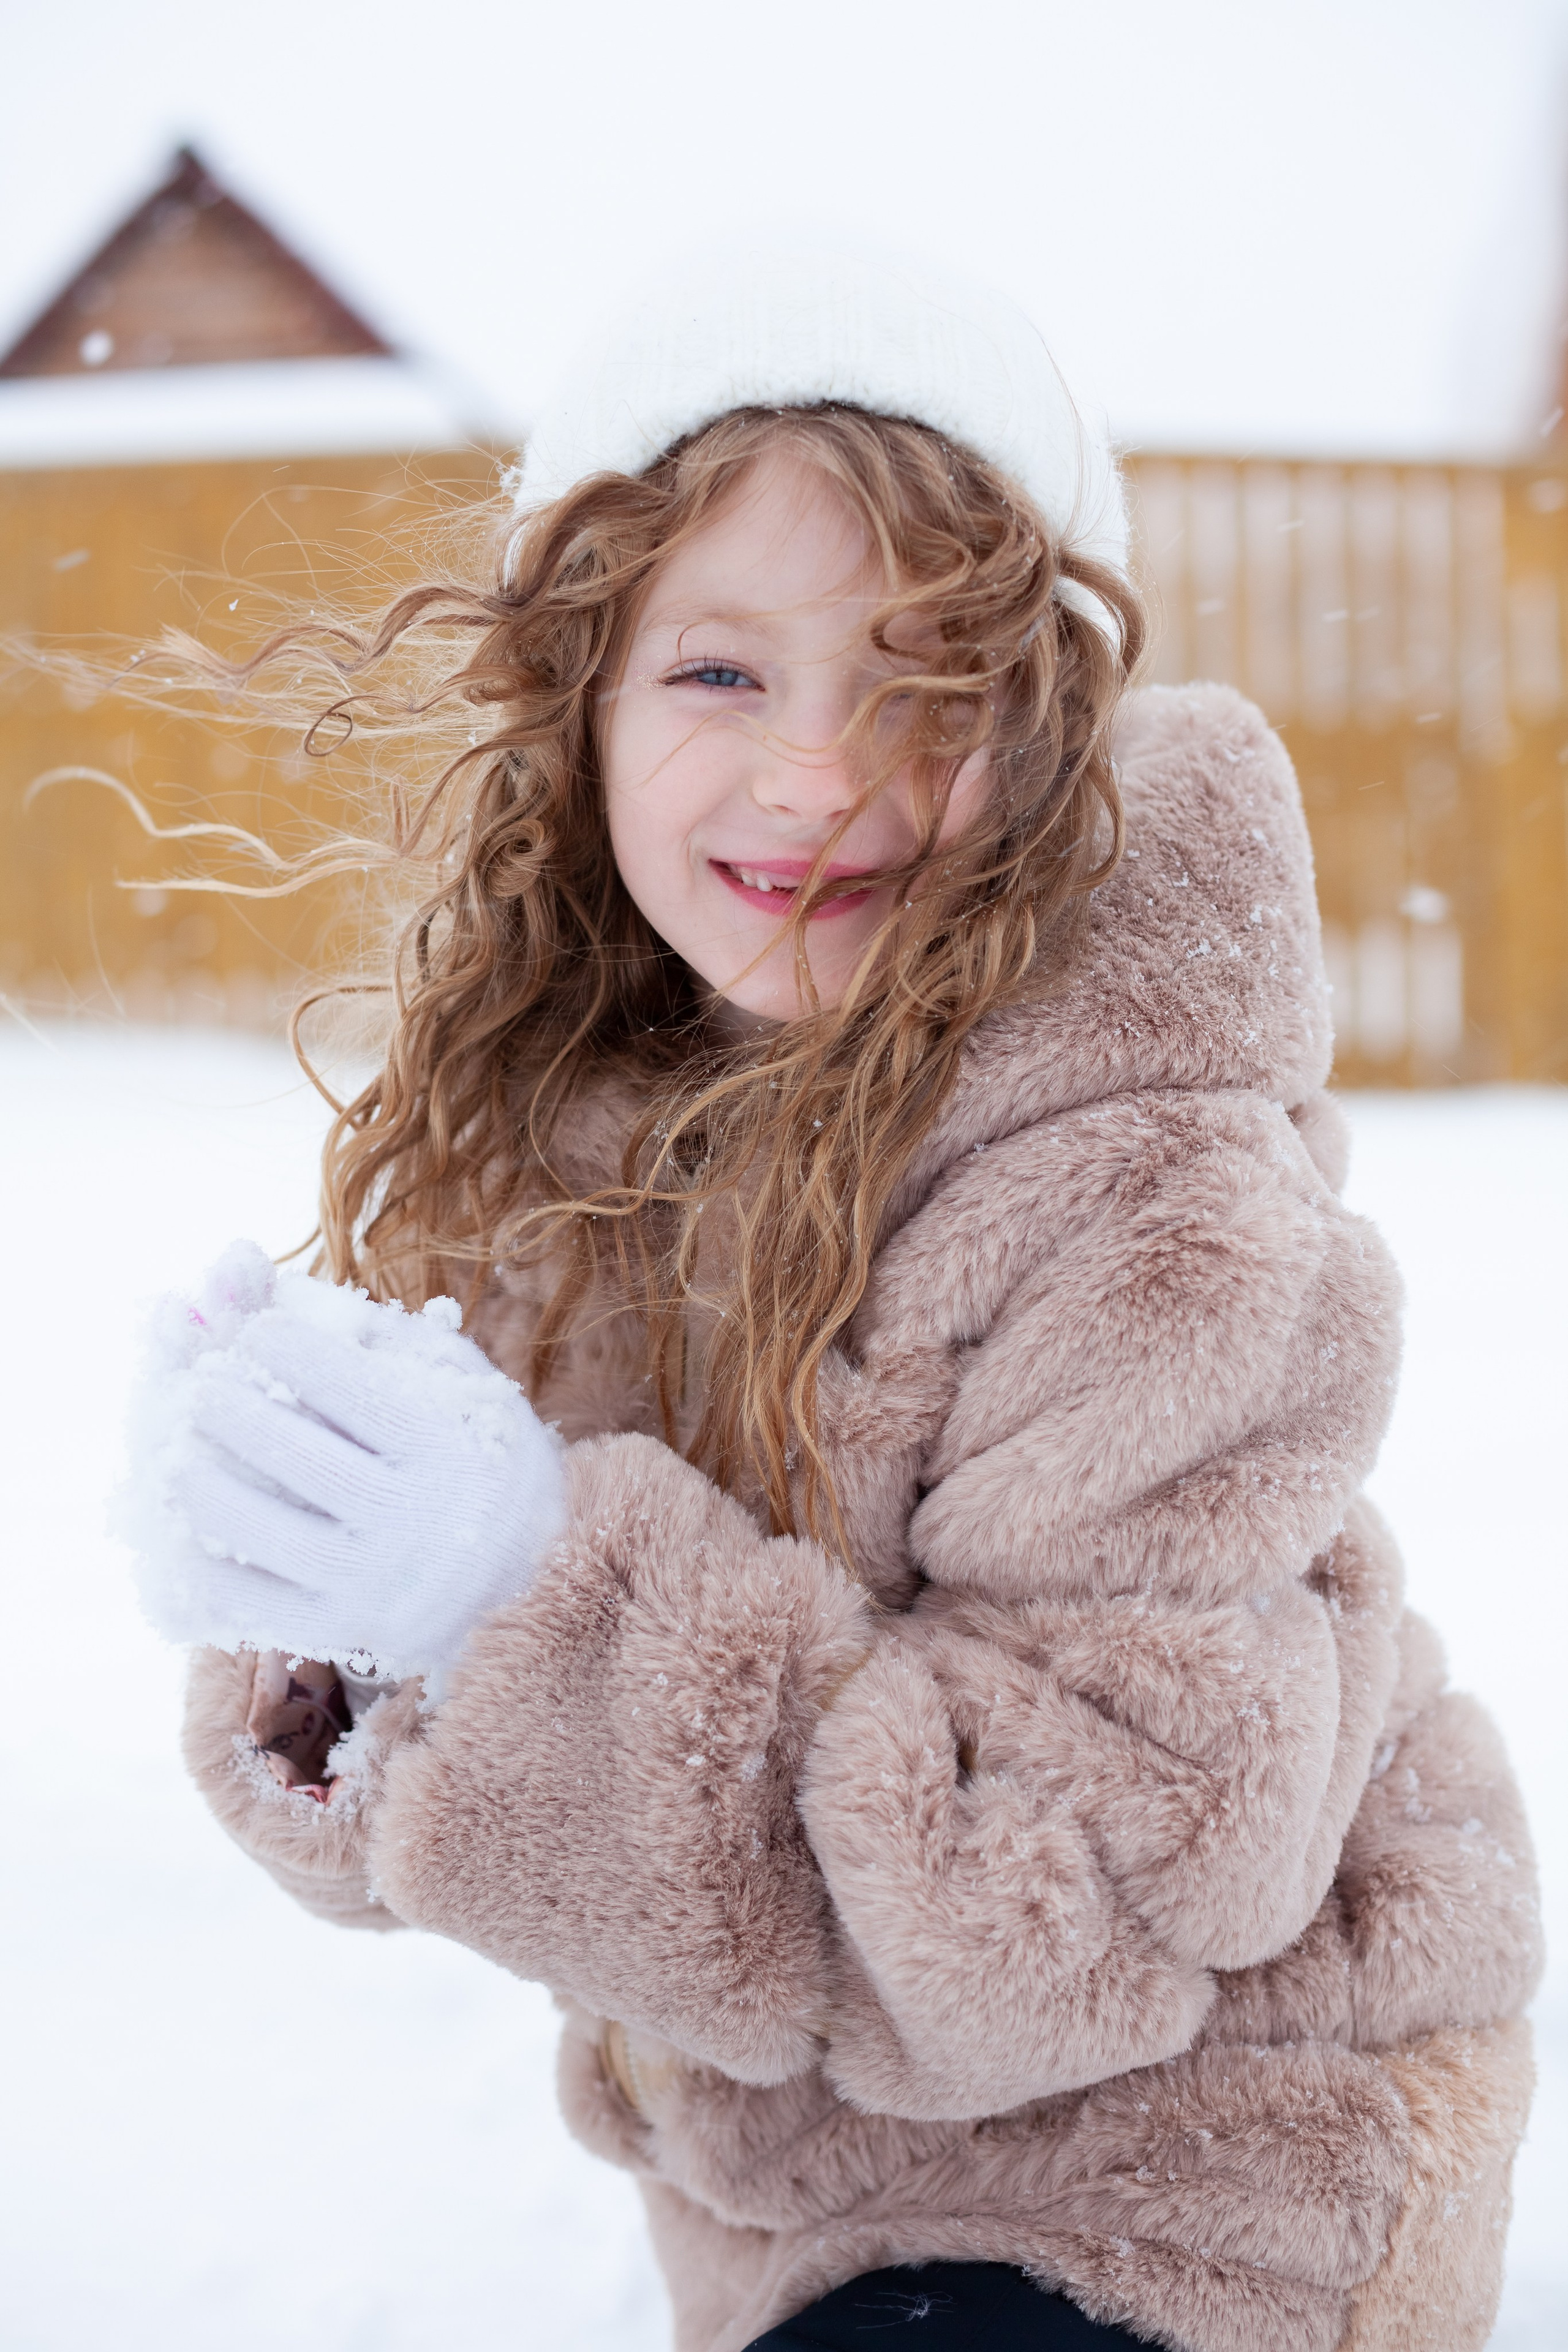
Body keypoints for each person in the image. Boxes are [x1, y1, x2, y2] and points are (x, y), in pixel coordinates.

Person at [124, 255, 1540, 2352]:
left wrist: (519, 1593)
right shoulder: (587, 1140)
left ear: (1046, 732)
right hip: (809, 2221)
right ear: (583, 713)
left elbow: (1062, 1913)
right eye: (722, 673)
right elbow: (484, 1825)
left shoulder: (1156, 1198)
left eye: (925, 682)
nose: (816, 773)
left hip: (1211, 2195)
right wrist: (336, 1622)